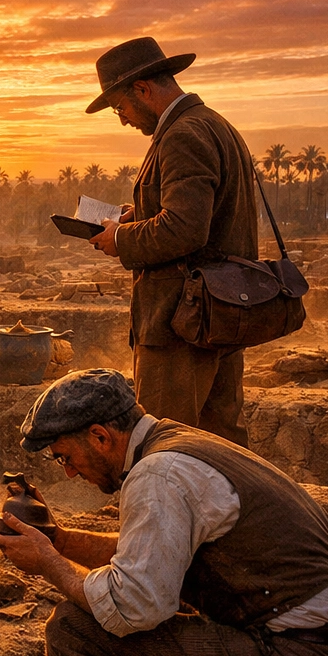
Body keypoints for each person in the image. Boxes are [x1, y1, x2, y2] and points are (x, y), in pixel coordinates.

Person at [0, 369, 328, 656]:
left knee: (76, 630)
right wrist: (58, 540)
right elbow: (150, 554)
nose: (70, 474)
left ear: (99, 437)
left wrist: (48, 563)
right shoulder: (181, 444)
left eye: (65, 457)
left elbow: (132, 606)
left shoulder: (159, 474)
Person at [84, 37, 259, 444]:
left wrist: (121, 239)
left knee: (166, 442)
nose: (123, 119)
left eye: (120, 107)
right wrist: (136, 217)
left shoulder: (183, 134)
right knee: (222, 444)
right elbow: (203, 218)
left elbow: (184, 227)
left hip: (181, 324)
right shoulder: (214, 125)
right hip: (219, 314)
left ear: (143, 89)